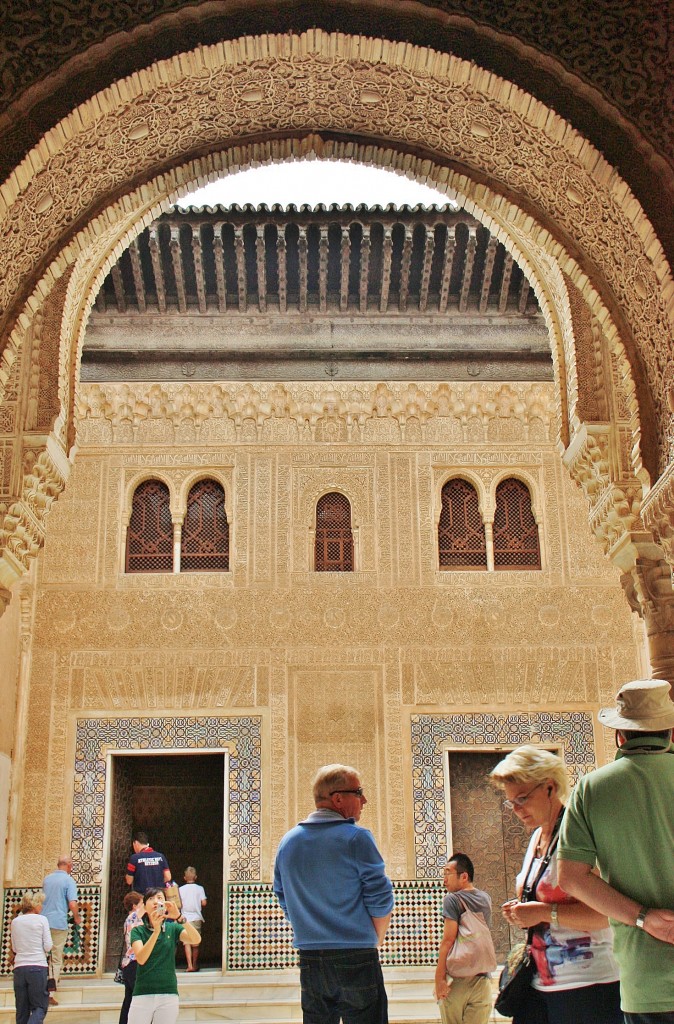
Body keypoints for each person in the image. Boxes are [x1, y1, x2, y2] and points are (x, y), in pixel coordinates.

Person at [558, 678, 674, 1023]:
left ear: (619, 736)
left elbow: (571, 878)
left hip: (646, 984)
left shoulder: (592, 789)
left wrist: (644, 917)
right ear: (669, 729)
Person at [490, 745, 622, 1024]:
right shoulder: (537, 837)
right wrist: (523, 911)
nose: (516, 810)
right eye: (510, 802)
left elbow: (607, 915)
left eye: (522, 799)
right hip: (539, 986)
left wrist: (542, 912)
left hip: (588, 987)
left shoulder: (579, 833)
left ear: (549, 787)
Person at [273, 763, 394, 1024]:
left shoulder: (288, 842)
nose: (364, 800)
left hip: (311, 960)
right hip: (356, 957)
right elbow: (381, 895)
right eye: (358, 792)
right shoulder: (356, 838)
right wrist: (376, 936)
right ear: (337, 798)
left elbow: (282, 895)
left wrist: (308, 928)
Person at [434, 852, 496, 1024]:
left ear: (464, 876)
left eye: (448, 873)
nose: (444, 879)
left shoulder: (452, 899)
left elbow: (448, 941)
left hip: (458, 982)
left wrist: (439, 979)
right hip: (483, 980)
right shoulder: (485, 898)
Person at [127, 886, 201, 1024]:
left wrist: (179, 916)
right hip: (142, 994)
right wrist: (155, 931)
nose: (156, 901)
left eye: (160, 898)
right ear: (145, 905)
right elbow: (141, 959)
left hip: (168, 994)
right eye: (151, 898)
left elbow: (196, 939)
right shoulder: (138, 931)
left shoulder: (173, 928)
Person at [41, 855, 81, 1005]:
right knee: (56, 958)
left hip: (43, 922)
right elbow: (72, 903)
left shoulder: (47, 879)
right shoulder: (69, 881)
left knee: (43, 955)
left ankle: (39, 986)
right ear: (69, 865)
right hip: (58, 923)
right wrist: (76, 917)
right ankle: (50, 992)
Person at [10, 890, 52, 1024]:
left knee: (22, 1010)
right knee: (39, 1007)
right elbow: (48, 946)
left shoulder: (15, 922)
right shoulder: (42, 920)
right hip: (37, 967)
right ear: (35, 905)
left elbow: (14, 948)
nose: (42, 907)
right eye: (41, 903)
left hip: (19, 969)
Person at [119, 891, 144, 1024]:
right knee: (139, 999)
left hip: (129, 963)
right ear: (134, 906)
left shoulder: (131, 919)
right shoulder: (133, 918)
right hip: (134, 962)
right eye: (141, 903)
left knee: (129, 1000)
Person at [178, 867, 206, 972]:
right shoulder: (200, 888)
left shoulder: (180, 889)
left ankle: (188, 965)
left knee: (186, 942)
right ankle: (194, 965)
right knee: (195, 943)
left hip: (185, 918)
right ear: (196, 877)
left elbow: (179, 904)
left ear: (184, 878)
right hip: (196, 918)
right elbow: (204, 903)